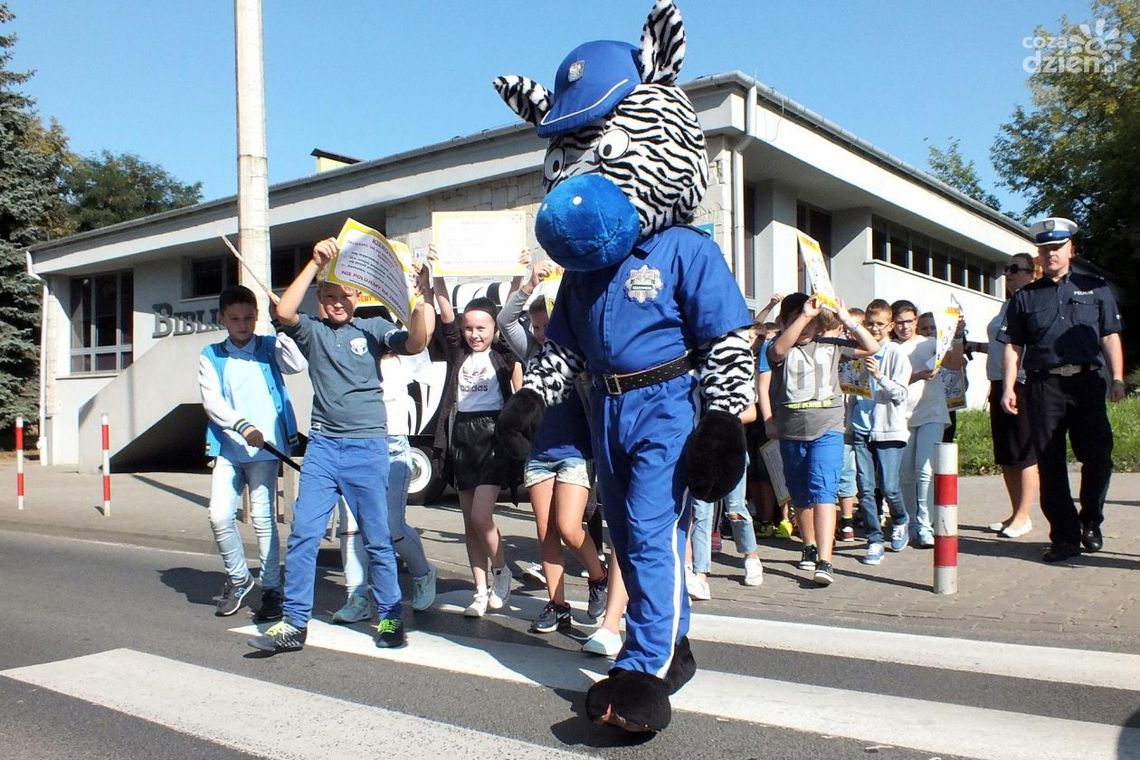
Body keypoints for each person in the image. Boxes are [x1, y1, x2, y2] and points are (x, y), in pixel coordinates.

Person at [248, 236, 435, 653]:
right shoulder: (311, 333)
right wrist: (315, 263)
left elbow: (418, 342)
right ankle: (295, 623)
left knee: (377, 537)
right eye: (328, 295)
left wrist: (421, 302)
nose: (337, 302)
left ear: (358, 296)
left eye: (344, 295)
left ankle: (389, 618)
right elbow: (282, 310)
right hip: (323, 449)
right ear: (319, 299)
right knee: (303, 536)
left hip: (368, 448)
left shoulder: (372, 329)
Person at [999, 217, 1125, 563]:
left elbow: (1110, 336)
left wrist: (1117, 378)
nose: (1051, 254)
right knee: (1051, 463)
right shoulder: (1025, 297)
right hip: (1043, 386)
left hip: (1086, 383)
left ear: (1072, 249)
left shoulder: (1095, 288)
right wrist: (1008, 386)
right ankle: (1065, 537)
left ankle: (1090, 521)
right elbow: (1013, 345)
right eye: (1045, 248)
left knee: (1099, 457)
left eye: (1057, 247)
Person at [497, 256, 608, 632]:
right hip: (539, 454)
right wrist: (529, 283)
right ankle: (557, 605)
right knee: (545, 531)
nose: (543, 332)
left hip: (574, 453)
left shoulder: (579, 357)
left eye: (549, 326)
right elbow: (504, 321)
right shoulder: (530, 352)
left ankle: (598, 578)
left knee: (569, 527)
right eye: (538, 326)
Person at [198, 285, 306, 620]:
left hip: (266, 449)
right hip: (230, 448)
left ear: (256, 317)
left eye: (248, 318)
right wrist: (242, 425)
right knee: (218, 515)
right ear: (222, 319)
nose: (242, 324)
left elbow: (297, 365)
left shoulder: (270, 346)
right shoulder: (211, 355)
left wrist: (282, 325)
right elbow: (211, 401)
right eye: (234, 319)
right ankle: (240, 577)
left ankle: (272, 589)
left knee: (263, 520)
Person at [431, 265, 522, 617]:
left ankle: (501, 569)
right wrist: (438, 276)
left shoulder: (502, 354)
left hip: (494, 435)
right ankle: (479, 590)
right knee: (470, 520)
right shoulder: (459, 354)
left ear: (494, 328)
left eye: (480, 328)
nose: (473, 334)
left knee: (483, 515)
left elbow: (512, 308)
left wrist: (519, 277)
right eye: (469, 329)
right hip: (462, 436)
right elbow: (446, 317)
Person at [768, 293, 878, 584]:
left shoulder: (832, 345)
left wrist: (845, 319)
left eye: (811, 323)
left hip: (828, 428)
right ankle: (809, 545)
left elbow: (871, 346)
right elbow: (778, 350)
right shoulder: (778, 348)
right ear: (783, 323)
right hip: (791, 430)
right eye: (797, 321)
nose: (805, 328)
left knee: (824, 491)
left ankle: (825, 560)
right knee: (800, 494)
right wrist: (803, 314)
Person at [332, 347, 439, 623]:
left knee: (391, 527)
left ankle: (422, 573)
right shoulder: (347, 354)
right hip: (353, 444)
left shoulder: (402, 357)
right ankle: (356, 597)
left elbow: (425, 366)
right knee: (351, 526)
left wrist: (422, 310)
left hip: (392, 445)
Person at [966, 252, 1039, 538]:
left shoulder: (1033, 303)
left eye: (1015, 269)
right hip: (998, 382)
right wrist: (974, 345)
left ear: (1032, 274)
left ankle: (1024, 515)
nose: (1008, 274)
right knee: (1006, 454)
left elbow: (1024, 347)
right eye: (1007, 269)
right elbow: (1002, 346)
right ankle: (1014, 512)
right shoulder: (1007, 305)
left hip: (1022, 383)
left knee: (1024, 453)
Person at [846, 299, 911, 565]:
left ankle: (900, 519)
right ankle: (874, 539)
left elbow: (901, 394)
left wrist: (880, 376)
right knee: (866, 489)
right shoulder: (857, 351)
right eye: (870, 324)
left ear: (890, 326)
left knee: (889, 487)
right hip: (861, 428)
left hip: (888, 430)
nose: (874, 329)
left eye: (880, 325)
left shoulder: (895, 353)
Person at [898, 308, 965, 549]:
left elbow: (956, 362)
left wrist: (956, 336)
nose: (904, 326)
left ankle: (925, 525)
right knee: (905, 473)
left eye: (908, 321)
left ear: (915, 322)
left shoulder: (930, 343)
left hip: (932, 412)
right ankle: (908, 522)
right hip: (901, 415)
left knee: (924, 469)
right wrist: (915, 376)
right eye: (899, 322)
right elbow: (882, 382)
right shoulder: (892, 348)